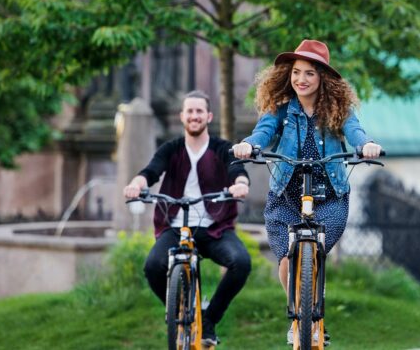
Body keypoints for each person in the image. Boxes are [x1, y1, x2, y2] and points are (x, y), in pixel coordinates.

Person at [232, 39, 382, 345]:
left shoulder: (338, 109)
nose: (301, 79)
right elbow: (264, 129)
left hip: (329, 194)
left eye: (310, 73)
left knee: (315, 249)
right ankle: (300, 315)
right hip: (287, 194)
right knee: (288, 259)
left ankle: (314, 302)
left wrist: (364, 145)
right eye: (297, 72)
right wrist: (251, 144)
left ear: (322, 78)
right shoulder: (281, 110)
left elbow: (354, 130)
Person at [123, 90, 251, 347]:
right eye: (189, 111)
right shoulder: (171, 149)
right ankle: (178, 310)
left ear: (209, 116)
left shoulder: (222, 147)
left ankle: (210, 319)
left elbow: (237, 169)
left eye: (199, 111)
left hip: (214, 227)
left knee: (241, 263)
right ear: (182, 116)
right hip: (176, 226)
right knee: (152, 267)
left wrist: (240, 184)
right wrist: (136, 185)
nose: (194, 116)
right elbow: (150, 171)